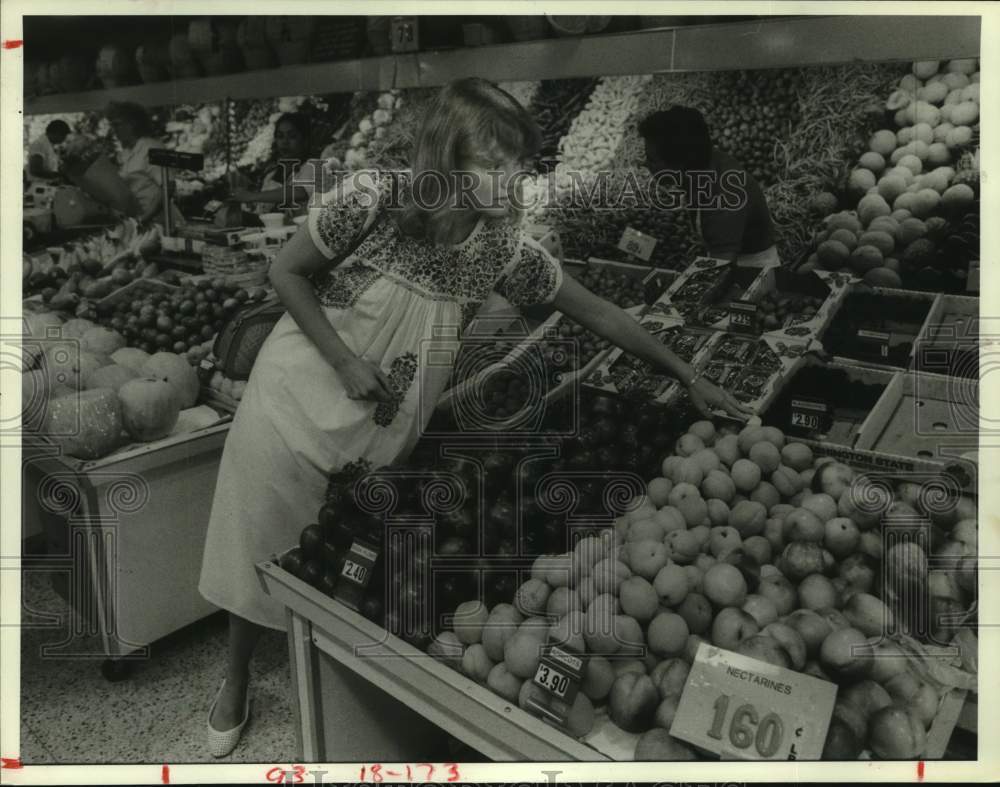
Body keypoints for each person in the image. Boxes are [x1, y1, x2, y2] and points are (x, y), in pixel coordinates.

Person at [198, 78, 750, 757]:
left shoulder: (499, 247)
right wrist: (342, 359)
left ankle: (333, 704)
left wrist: (687, 372)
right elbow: (285, 272)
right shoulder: (374, 198)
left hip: (380, 426)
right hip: (292, 397)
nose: (510, 180)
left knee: (338, 552)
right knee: (253, 537)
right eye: (494, 163)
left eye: (518, 162)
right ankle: (235, 678)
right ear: (445, 159)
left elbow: (597, 310)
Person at [639, 106, 778, 266]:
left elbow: (720, 268)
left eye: (652, 160)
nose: (645, 164)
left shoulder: (722, 195)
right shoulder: (700, 162)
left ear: (679, 164)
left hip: (750, 268)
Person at [229, 112, 318, 220]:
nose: (285, 142)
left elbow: (299, 191)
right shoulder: (271, 175)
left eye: (292, 136)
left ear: (305, 141)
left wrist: (251, 196)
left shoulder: (312, 166)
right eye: (280, 136)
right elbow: (262, 215)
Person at [107, 101, 183, 226]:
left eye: (117, 125)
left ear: (132, 124)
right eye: (112, 125)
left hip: (163, 221)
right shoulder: (124, 153)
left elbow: (168, 186)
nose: (114, 130)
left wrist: (145, 218)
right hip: (140, 221)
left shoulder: (153, 147)